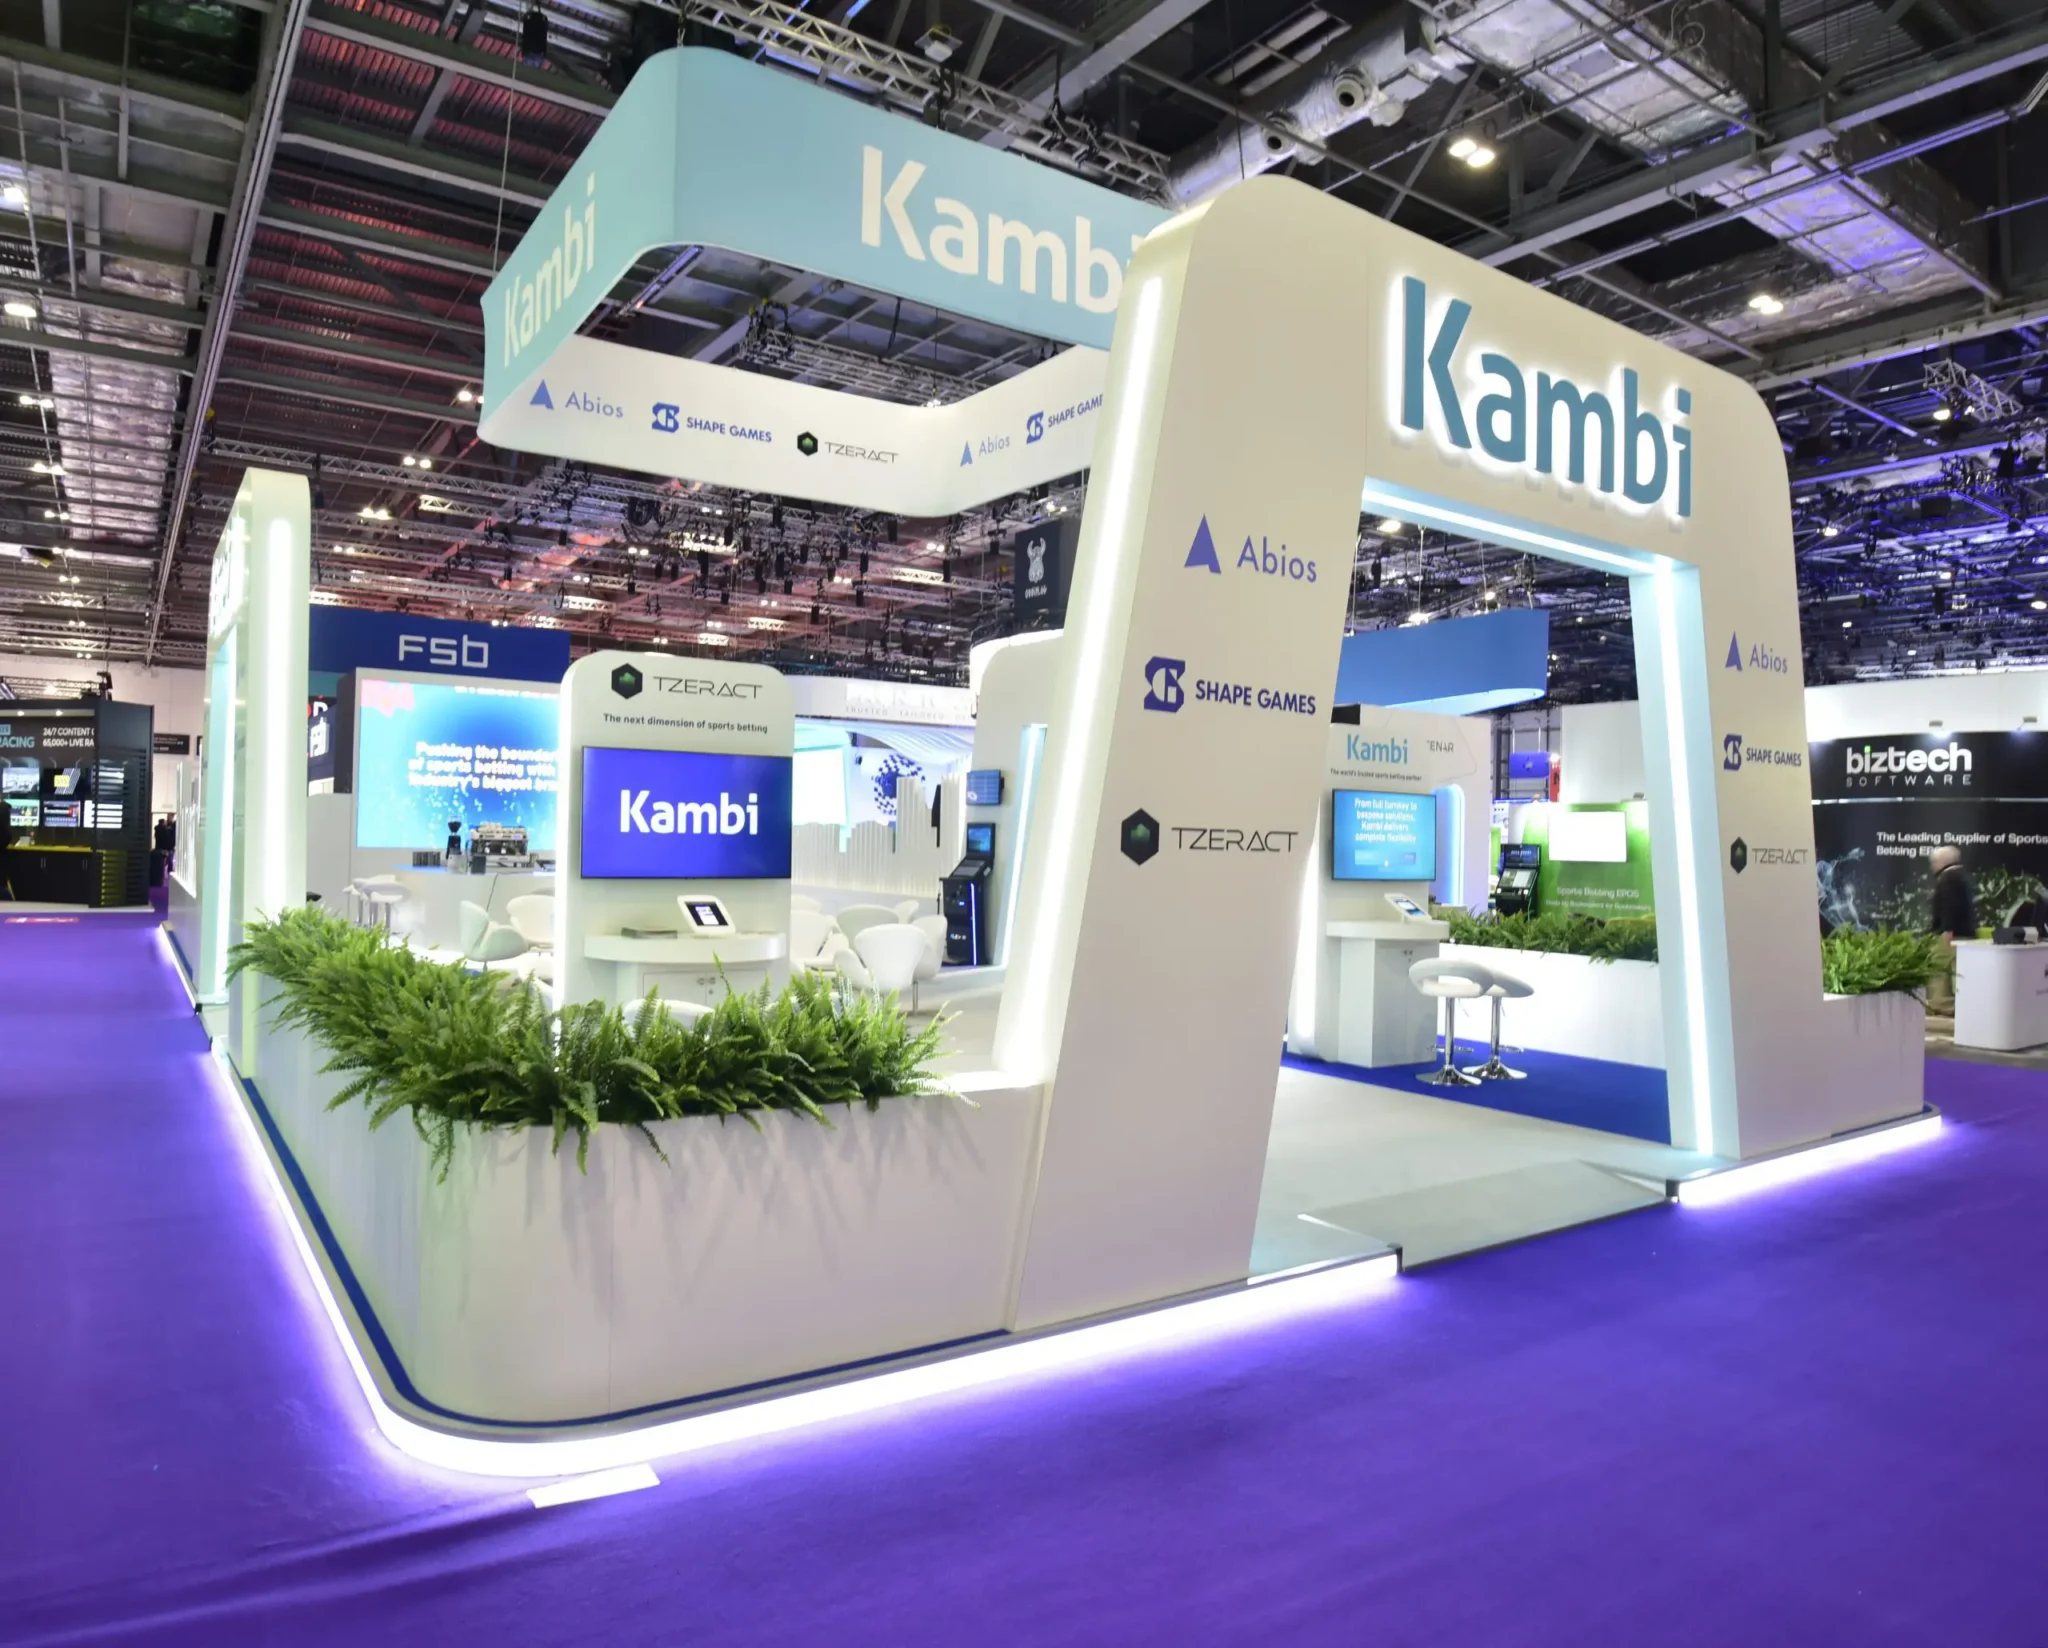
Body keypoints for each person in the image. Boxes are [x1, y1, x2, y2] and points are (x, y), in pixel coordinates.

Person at [1928, 845, 1976, 1010]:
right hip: (1962, 933)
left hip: (1951, 935)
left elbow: (1950, 907)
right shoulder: (1961, 876)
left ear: (1942, 861)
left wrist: (1947, 931)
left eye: (1934, 862)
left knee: (1938, 968)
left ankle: (1942, 1004)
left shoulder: (1949, 878)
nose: (1932, 866)